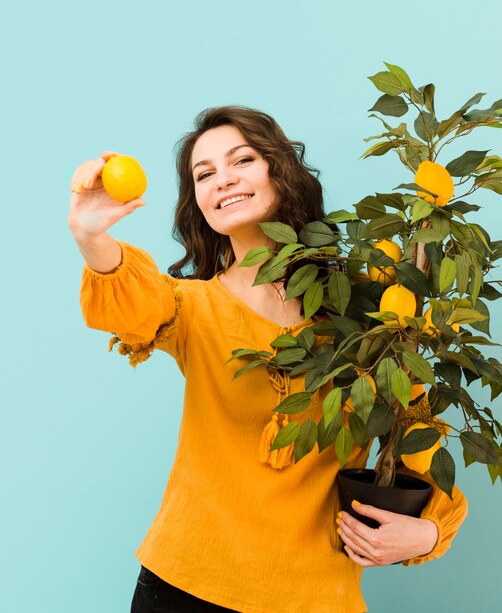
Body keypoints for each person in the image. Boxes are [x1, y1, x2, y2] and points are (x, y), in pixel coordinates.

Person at [68, 106, 468, 613]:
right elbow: (132, 300)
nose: (223, 180)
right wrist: (90, 236)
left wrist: (429, 534)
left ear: (281, 171)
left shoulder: (368, 312)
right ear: (199, 203)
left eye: (242, 160)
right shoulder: (192, 307)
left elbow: (419, 437)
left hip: (318, 596)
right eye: (204, 174)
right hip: (185, 587)